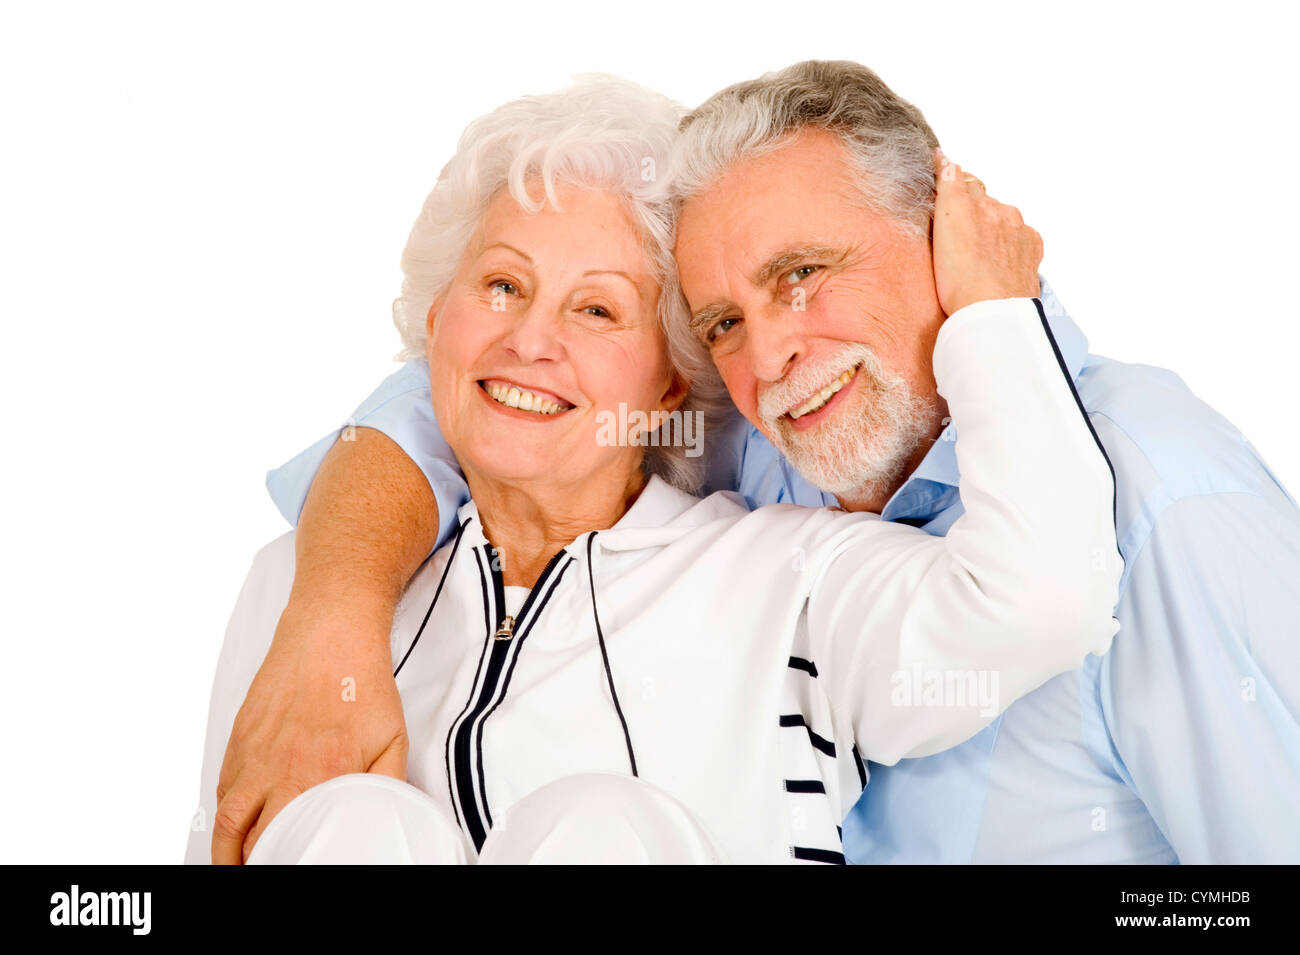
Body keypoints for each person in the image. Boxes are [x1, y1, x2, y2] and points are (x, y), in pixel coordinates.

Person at [186, 74, 1121, 864]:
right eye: (502, 286)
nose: (529, 341)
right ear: (437, 321)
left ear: (674, 381)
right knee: (353, 823)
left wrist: (992, 318)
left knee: (600, 828)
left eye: (596, 311)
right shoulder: (301, 586)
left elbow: (1043, 599)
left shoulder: (797, 581)